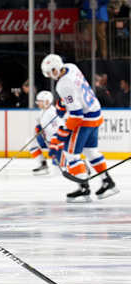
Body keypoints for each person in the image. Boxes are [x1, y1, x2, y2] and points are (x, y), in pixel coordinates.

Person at [41, 53, 119, 202]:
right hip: (95, 112)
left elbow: (76, 115)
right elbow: (76, 94)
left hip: (85, 119)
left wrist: (61, 134)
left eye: (51, 72)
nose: (50, 76)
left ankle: (83, 188)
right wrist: (63, 104)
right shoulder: (71, 67)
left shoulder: (63, 85)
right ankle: (107, 181)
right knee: (90, 151)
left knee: (70, 153)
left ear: (56, 69)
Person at [28, 90, 65, 175]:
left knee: (58, 171)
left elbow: (59, 131)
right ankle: (43, 164)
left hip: (57, 144)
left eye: (40, 101)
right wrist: (38, 129)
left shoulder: (53, 113)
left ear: (47, 102)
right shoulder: (41, 112)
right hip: (48, 142)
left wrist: (54, 143)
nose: (38, 103)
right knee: (30, 142)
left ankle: (83, 165)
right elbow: (39, 126)